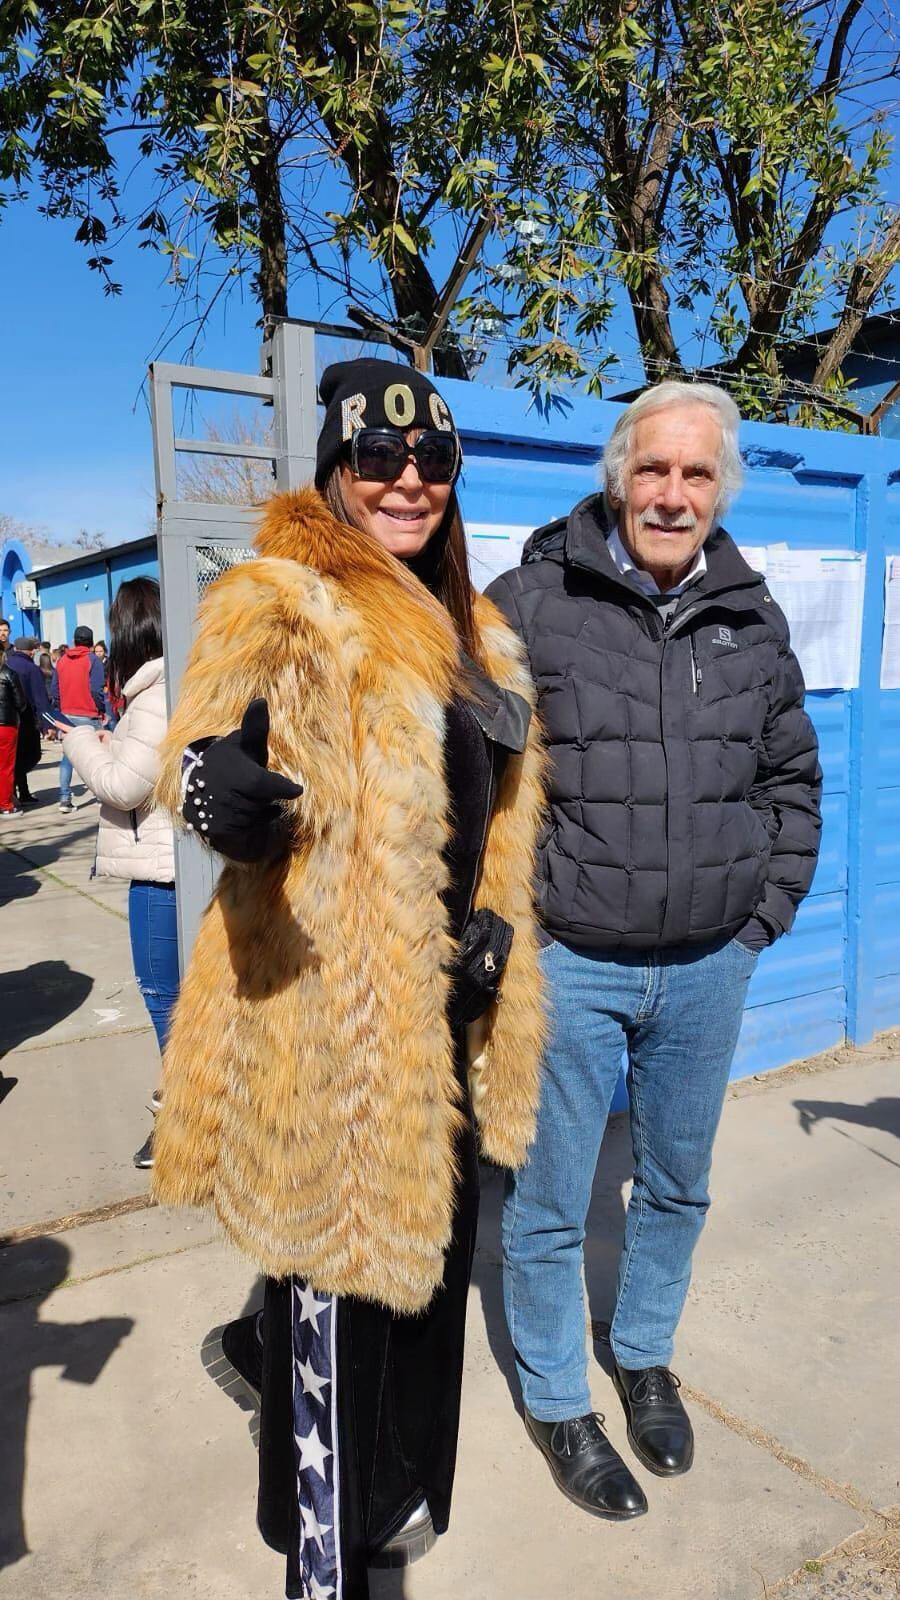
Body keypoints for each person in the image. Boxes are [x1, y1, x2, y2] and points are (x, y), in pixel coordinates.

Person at [151, 359, 547, 1599]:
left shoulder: (481, 635)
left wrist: (489, 929)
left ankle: (370, 1501)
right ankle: (322, 1565)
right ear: (335, 468)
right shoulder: (281, 597)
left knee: (419, 1337)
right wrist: (223, 796)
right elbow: (198, 754)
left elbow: (499, 825)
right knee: (337, 1354)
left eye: (430, 460)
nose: (407, 480)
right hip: (327, 1051)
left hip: (443, 1045)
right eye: (378, 459)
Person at [486, 380, 822, 1517]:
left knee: (676, 1183)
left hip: (708, 965)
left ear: (719, 488)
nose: (672, 494)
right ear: (617, 476)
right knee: (548, 1197)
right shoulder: (530, 602)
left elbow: (791, 780)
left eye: (695, 474)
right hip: (573, 959)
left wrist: (760, 917)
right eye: (653, 469)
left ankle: (640, 1354)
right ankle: (555, 1398)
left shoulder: (752, 614)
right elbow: (463, 774)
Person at [51, 581, 176, 1170]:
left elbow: (124, 785)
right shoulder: (165, 688)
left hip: (158, 876)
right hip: (168, 867)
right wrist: (111, 740)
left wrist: (79, 742)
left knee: (163, 999)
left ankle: (179, 1123)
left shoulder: (155, 696)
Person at [51, 624, 106, 812]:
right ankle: (99, 795)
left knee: (67, 756)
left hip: (66, 714)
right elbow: (96, 690)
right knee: (94, 756)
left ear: (74, 641)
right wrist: (101, 709)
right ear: (91, 643)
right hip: (88, 713)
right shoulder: (93, 660)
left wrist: (59, 710)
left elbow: (54, 690)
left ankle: (64, 799)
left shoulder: (62, 661)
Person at [5, 634, 49, 806]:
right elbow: (40, 698)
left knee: (15, 756)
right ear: (31, 652)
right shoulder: (31, 669)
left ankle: (22, 792)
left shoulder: (7, 664)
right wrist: (47, 723)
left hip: (9, 718)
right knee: (31, 755)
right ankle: (12, 787)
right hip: (27, 718)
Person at [0, 643, 27, 818]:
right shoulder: (8, 674)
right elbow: (20, 702)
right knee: (5, 766)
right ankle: (5, 804)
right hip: (6, 725)